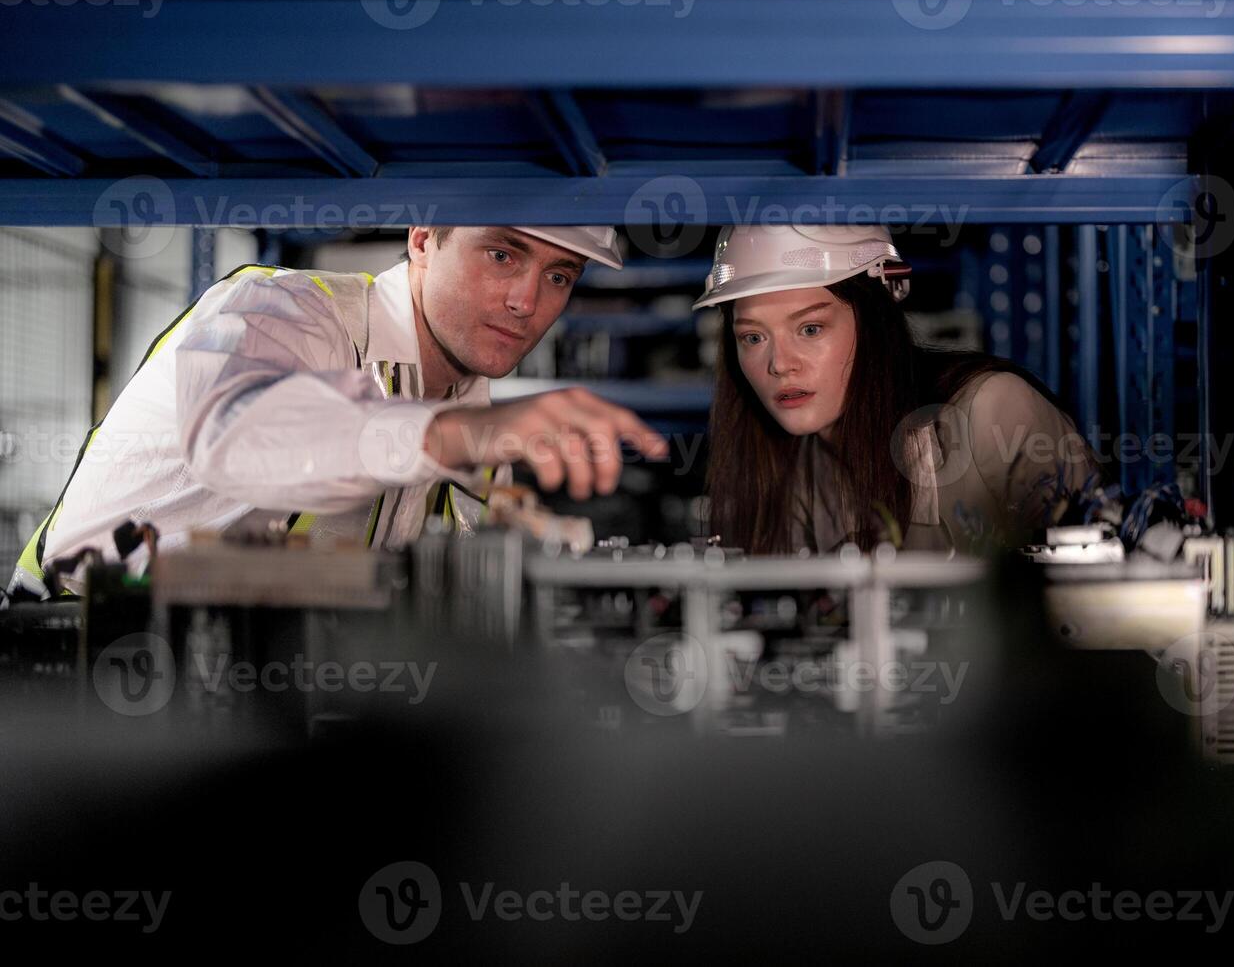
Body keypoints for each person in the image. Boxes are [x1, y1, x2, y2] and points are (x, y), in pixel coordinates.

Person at [9, 225, 667, 598]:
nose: (528, 301)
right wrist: (455, 434)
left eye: (559, 276)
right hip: (72, 664)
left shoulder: (463, 399)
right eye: (502, 254)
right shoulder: (280, 308)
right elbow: (236, 432)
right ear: (423, 238)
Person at [696, 224, 1098, 555]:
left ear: (877, 323)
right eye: (752, 338)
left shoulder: (992, 414)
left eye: (810, 329)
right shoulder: (791, 469)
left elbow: (1093, 609)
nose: (780, 363)